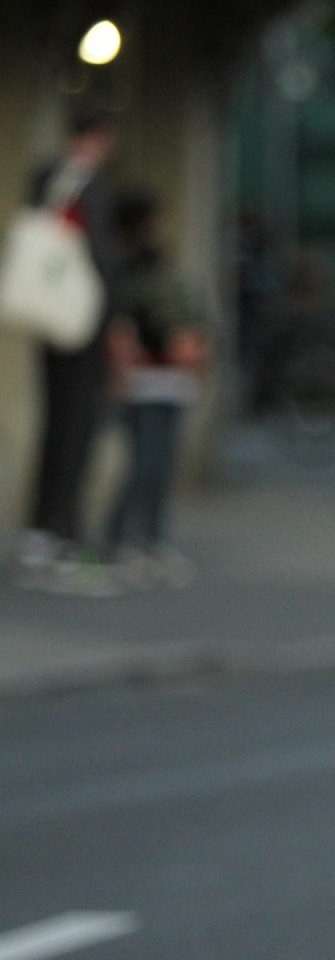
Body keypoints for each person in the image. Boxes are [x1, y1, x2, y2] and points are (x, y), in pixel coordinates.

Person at [13, 106, 125, 594]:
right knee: (75, 425)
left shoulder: (52, 178)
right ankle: (60, 529)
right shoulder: (81, 182)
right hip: (77, 319)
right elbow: (97, 254)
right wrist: (116, 315)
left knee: (60, 422)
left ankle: (46, 526)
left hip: (56, 318)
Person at [104, 192, 205, 590]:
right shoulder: (126, 270)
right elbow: (130, 322)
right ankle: (119, 539)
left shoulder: (162, 266)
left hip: (170, 377)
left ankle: (152, 540)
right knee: (145, 463)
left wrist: (194, 346)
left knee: (161, 465)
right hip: (142, 376)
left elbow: (187, 313)